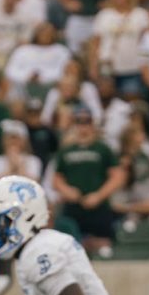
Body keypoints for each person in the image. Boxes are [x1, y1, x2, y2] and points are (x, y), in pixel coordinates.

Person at [53, 107, 125, 250]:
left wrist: (99, 196)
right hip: (73, 207)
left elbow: (118, 176)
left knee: (103, 245)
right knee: (69, 245)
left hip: (99, 207)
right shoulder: (66, 151)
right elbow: (56, 179)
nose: (83, 127)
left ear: (92, 125)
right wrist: (67, 191)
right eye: (79, 122)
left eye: (87, 122)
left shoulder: (102, 149)